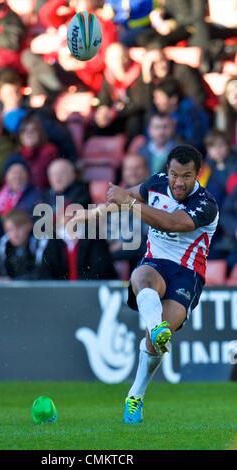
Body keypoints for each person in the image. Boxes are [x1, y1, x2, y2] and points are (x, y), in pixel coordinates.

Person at [72, 145, 219, 424]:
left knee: (155, 342)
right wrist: (89, 216)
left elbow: (171, 222)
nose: (178, 182)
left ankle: (135, 394)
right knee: (141, 277)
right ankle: (155, 330)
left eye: (186, 176)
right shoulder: (157, 182)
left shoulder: (206, 204)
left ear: (197, 175)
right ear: (168, 170)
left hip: (187, 275)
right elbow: (124, 196)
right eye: (174, 174)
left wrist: (127, 203)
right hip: (156, 262)